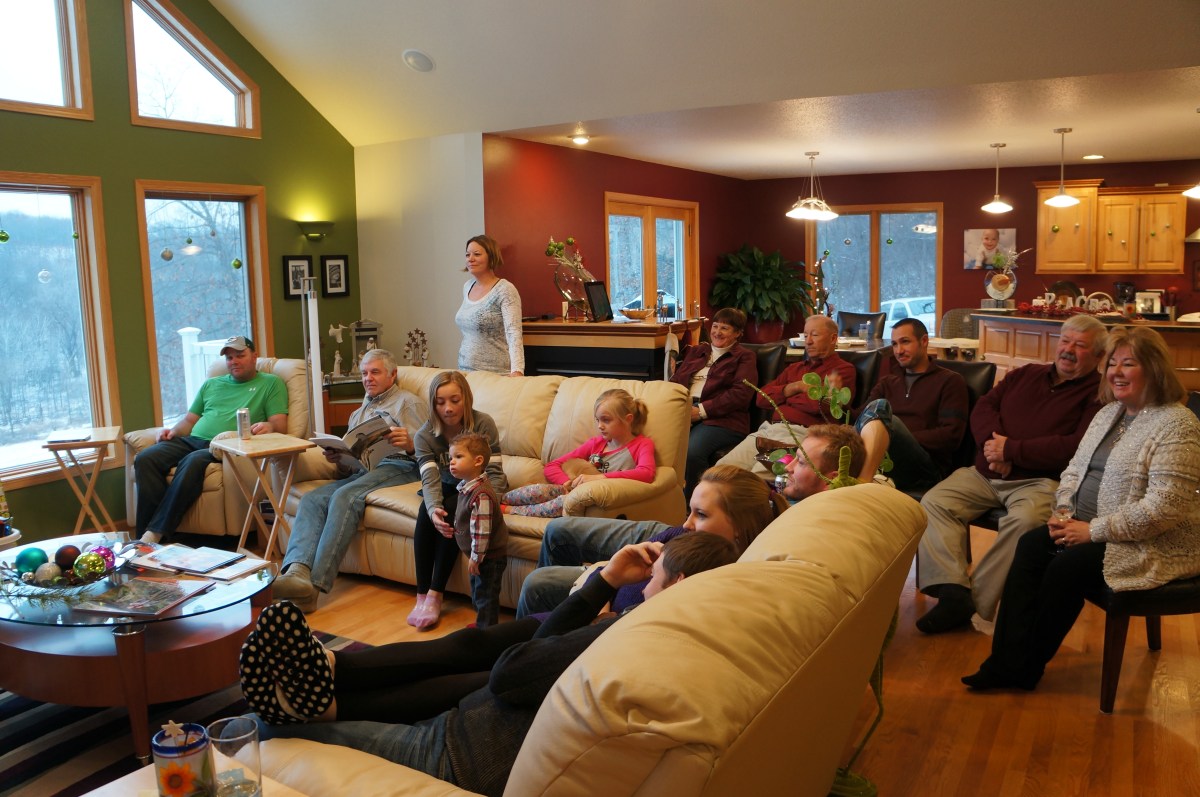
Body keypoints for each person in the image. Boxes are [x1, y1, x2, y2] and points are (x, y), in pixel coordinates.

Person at [239, 533, 740, 796]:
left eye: (653, 577)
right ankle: (329, 687)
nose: (645, 585)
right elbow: (534, 663)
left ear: (677, 586)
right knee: (470, 650)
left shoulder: (630, 634)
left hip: (458, 753)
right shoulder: (677, 640)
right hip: (475, 731)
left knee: (264, 729)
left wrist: (603, 586)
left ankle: (319, 699)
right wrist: (605, 581)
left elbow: (513, 671)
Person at [962, 326, 1200, 691]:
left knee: (1066, 567)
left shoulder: (1176, 424)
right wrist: (1063, 512)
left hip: (1146, 542)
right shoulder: (1110, 413)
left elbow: (1164, 508)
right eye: (1112, 363)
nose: (1116, 372)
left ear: (1154, 369)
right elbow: (1074, 468)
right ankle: (1005, 661)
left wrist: (1092, 531)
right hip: (1083, 524)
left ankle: (1025, 667)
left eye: (1129, 364)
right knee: (1030, 546)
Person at [516, 426, 864, 617]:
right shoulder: (769, 500)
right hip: (666, 541)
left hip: (669, 557)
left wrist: (597, 603)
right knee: (559, 531)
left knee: (539, 584)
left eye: (801, 462)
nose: (788, 465)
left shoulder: (807, 521)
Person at [915, 314, 1108, 633]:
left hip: (1040, 481)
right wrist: (994, 448)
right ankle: (952, 592)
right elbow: (984, 407)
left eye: (1080, 345)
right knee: (935, 502)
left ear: (1099, 355)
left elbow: (1075, 446)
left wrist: (1012, 451)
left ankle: (975, 602)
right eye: (1065, 341)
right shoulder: (1026, 373)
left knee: (1026, 523)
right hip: (985, 472)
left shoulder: (1099, 395)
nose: (1068, 350)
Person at [272, 349, 427, 613]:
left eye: (375, 372)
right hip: (364, 472)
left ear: (393, 374)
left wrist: (411, 444)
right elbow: (350, 468)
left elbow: (430, 448)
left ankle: (313, 586)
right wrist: (339, 458)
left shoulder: (408, 403)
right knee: (312, 499)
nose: (368, 378)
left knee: (345, 496)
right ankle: (296, 571)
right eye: (364, 373)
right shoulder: (358, 413)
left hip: (401, 466)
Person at [135, 335, 288, 544]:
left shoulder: (270, 383)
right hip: (192, 440)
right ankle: (144, 541)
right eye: (229, 358)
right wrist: (172, 432)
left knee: (192, 461)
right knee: (145, 458)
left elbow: (280, 425)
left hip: (224, 446)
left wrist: (269, 426)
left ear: (254, 356)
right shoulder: (211, 384)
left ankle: (153, 534)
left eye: (240, 355)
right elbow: (189, 420)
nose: (233, 361)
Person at [409, 371, 507, 630]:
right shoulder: (424, 435)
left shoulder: (483, 424)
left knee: (455, 510)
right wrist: (433, 509)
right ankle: (421, 595)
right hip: (446, 485)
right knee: (428, 510)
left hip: (479, 486)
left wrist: (490, 501)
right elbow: (429, 480)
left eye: (454, 400)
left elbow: (494, 472)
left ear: (466, 398)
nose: (448, 408)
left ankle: (435, 593)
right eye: (440, 402)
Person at [716, 314, 855, 472]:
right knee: (720, 471)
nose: (808, 341)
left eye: (815, 335)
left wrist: (784, 398)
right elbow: (761, 399)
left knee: (759, 475)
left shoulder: (842, 370)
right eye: (806, 335)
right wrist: (794, 388)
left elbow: (818, 406)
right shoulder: (794, 368)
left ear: (833, 338)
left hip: (803, 435)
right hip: (768, 431)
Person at [501, 389, 654, 517]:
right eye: (597, 420)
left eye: (606, 420)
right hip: (574, 491)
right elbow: (552, 466)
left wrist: (598, 478)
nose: (600, 426)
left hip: (598, 499)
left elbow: (646, 473)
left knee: (563, 503)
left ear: (628, 419)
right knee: (537, 490)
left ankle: (509, 510)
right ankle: (497, 501)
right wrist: (566, 482)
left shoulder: (642, 444)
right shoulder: (596, 443)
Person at [854, 317, 968, 491]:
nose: (898, 351)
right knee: (868, 417)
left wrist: (892, 435)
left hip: (926, 469)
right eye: (894, 344)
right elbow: (859, 418)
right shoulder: (888, 382)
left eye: (905, 342)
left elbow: (951, 436)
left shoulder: (950, 381)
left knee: (883, 412)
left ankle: (861, 483)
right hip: (884, 461)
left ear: (924, 341)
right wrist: (832, 400)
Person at [668, 308, 757, 498]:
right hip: (683, 409)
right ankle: (666, 498)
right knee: (657, 443)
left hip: (722, 419)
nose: (717, 332)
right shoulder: (697, 351)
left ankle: (694, 503)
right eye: (715, 326)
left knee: (691, 452)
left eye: (724, 328)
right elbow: (676, 381)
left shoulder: (745, 357)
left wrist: (701, 410)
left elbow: (740, 394)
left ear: (737, 333)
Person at [448, 431, 508, 627]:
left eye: (458, 456)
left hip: (488, 558)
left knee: (486, 598)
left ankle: (487, 633)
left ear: (478, 461)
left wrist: (476, 557)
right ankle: (482, 625)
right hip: (479, 556)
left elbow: (482, 531)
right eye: (451, 457)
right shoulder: (467, 487)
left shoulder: (481, 494)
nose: (452, 462)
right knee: (477, 594)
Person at [455, 234, 524, 377]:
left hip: (495, 374)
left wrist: (517, 371)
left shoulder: (505, 289)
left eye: (477, 254)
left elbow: (513, 333)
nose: (470, 259)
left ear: (491, 257)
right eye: (467, 254)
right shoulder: (467, 286)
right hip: (464, 371)